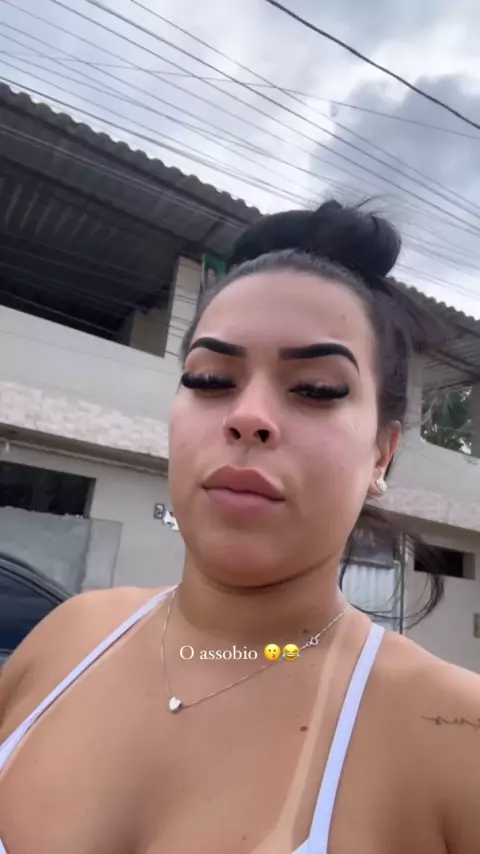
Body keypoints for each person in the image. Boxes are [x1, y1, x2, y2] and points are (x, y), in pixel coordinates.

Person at [1, 200, 479, 854]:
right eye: (210, 379)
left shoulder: (455, 737)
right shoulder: (67, 639)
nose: (248, 416)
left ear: (381, 454)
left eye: (315, 388)